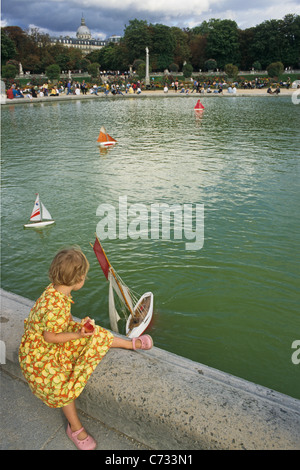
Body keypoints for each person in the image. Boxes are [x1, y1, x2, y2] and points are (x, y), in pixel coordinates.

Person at [19, 246, 153, 450]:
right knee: (61, 383)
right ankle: (74, 427)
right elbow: (50, 336)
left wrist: (78, 329)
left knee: (96, 333)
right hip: (41, 352)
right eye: (85, 276)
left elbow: (56, 323)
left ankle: (130, 343)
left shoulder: (55, 289)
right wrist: (77, 334)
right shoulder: (55, 304)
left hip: (52, 336)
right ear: (79, 280)